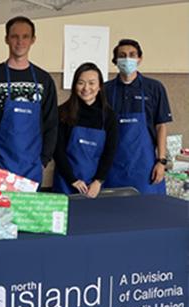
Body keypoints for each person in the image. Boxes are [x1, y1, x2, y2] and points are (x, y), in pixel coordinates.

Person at [0, 16, 58, 184]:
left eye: (25, 36)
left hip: (32, 168)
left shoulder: (44, 80)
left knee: (28, 210)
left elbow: (52, 124)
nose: (20, 41)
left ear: (33, 40)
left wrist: (44, 159)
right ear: (6, 39)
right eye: (14, 36)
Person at [104, 39, 172, 195]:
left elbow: (161, 125)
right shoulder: (105, 90)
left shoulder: (154, 88)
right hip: (112, 166)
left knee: (148, 212)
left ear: (140, 59)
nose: (127, 59)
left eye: (132, 55)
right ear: (115, 61)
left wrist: (161, 162)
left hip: (145, 166)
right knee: (112, 212)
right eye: (122, 55)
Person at [53, 62, 118, 198]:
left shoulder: (108, 116)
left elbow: (110, 151)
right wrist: (72, 180)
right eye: (81, 83)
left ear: (100, 86)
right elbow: (57, 150)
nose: (86, 88)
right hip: (66, 182)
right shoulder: (62, 113)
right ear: (74, 85)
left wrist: (98, 181)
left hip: (94, 186)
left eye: (92, 83)